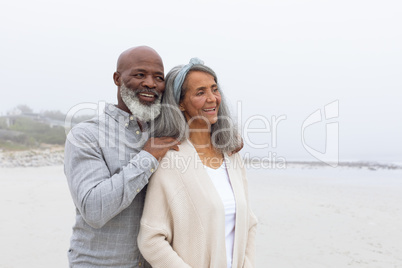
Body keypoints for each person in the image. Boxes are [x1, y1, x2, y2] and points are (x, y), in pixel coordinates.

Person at [64, 46, 180, 267]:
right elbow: (94, 210)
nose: (150, 83)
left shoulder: (163, 134)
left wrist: (224, 142)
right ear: (117, 78)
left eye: (158, 77)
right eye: (139, 74)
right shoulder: (86, 135)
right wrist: (148, 156)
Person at [138, 58, 258, 267]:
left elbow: (249, 223)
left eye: (214, 89)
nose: (212, 98)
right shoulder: (171, 160)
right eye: (200, 93)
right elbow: (151, 239)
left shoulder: (231, 155)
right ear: (180, 103)